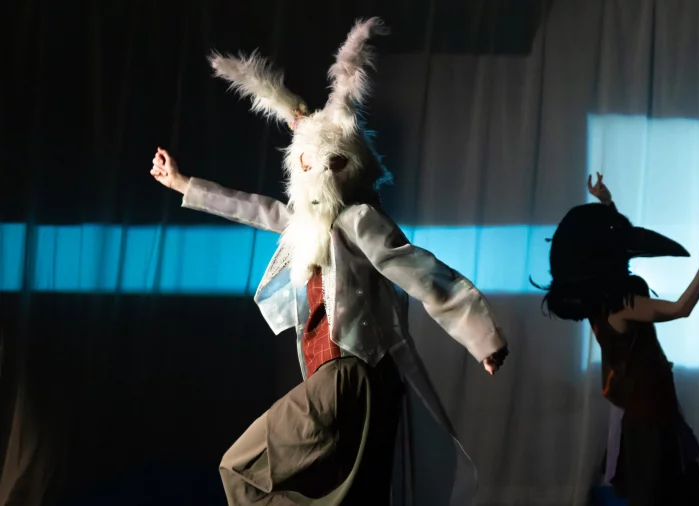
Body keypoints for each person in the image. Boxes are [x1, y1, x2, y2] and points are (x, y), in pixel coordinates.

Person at [150, 17, 508, 505]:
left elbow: (422, 272)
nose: (316, 173)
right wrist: (184, 185)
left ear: (347, 167)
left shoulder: (359, 220)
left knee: (242, 467)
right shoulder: (307, 224)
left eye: (329, 163)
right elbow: (255, 208)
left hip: (350, 377)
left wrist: (481, 336)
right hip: (348, 385)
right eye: (308, 163)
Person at [532, 173, 699, 505]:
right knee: (660, 496)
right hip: (648, 424)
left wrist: (606, 203)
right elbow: (681, 308)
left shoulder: (600, 300)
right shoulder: (621, 305)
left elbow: (609, 242)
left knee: (675, 493)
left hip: (650, 414)